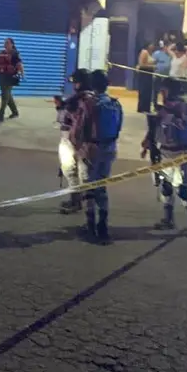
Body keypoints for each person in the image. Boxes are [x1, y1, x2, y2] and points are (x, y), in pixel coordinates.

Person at [59, 69, 124, 245]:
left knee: (89, 189)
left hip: (91, 150)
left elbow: (78, 129)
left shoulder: (88, 104)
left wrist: (76, 147)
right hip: (109, 149)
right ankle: (103, 228)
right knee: (102, 189)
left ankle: (90, 227)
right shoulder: (115, 103)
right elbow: (119, 128)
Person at [144, 78, 187, 238]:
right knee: (165, 187)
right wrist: (148, 141)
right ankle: (168, 219)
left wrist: (169, 113)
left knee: (183, 190)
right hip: (164, 153)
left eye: (164, 90)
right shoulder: (163, 108)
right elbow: (156, 127)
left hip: (181, 154)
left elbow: (186, 125)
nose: (162, 93)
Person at [0, 38, 23, 122]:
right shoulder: (2, 53)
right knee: (7, 95)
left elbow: (19, 64)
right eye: (5, 43)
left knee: (5, 96)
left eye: (7, 43)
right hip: (2, 76)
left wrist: (22, 73)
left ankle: (1, 115)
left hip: (10, 76)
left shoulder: (15, 53)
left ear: (12, 44)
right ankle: (15, 112)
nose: (5, 44)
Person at [136, 42, 157, 113]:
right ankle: (142, 108)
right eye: (152, 44)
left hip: (149, 74)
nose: (153, 46)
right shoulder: (144, 52)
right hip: (145, 73)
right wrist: (153, 66)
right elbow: (141, 64)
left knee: (148, 91)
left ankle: (146, 108)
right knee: (144, 91)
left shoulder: (150, 53)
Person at [151, 41, 172, 108]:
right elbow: (152, 63)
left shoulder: (171, 55)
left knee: (166, 91)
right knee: (156, 91)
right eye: (168, 47)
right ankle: (155, 105)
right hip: (158, 75)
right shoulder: (157, 54)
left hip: (167, 76)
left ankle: (166, 104)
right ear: (165, 47)